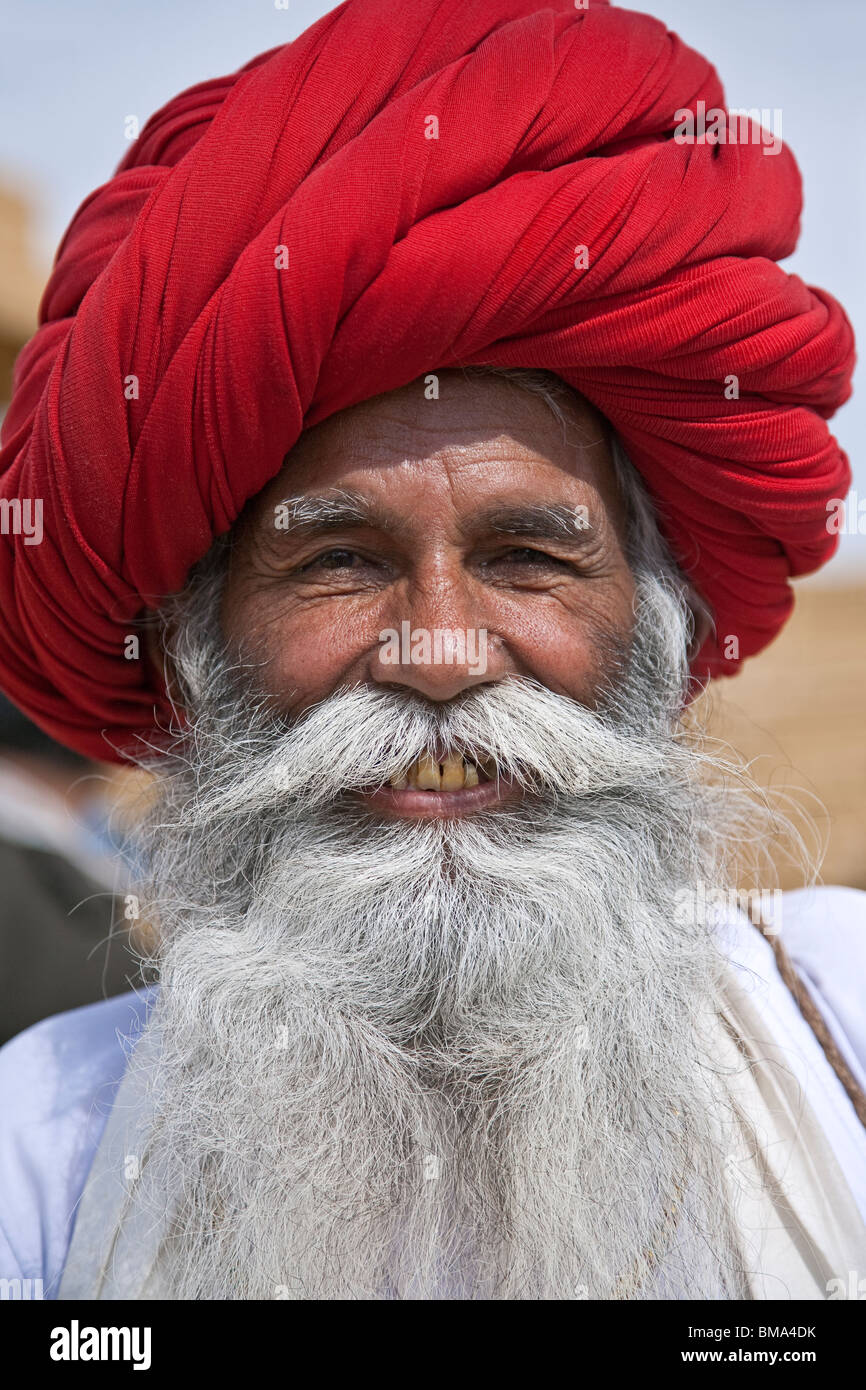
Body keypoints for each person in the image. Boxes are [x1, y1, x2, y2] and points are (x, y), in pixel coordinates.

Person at [0, 0, 863, 1300]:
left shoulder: (837, 1029)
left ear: (657, 634)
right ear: (192, 656)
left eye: (530, 555)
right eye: (338, 558)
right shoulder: (45, 1151)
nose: (443, 648)